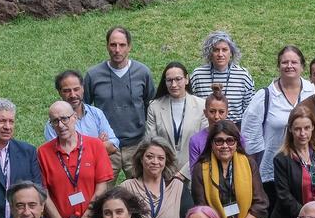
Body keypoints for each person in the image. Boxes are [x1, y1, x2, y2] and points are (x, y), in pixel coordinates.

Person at [242, 46, 315, 218]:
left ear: (302, 66)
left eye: (294, 62)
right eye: (285, 62)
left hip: (307, 172)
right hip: (272, 174)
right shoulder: (265, 96)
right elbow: (250, 137)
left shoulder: (313, 91)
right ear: (278, 65)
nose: (289, 66)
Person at [83, 26, 156, 178]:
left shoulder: (142, 73)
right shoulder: (93, 75)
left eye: (122, 45)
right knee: (102, 190)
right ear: (107, 46)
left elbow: (151, 106)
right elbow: (84, 109)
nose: (117, 50)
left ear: (129, 47)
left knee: (140, 189)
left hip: (136, 145)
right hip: (107, 146)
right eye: (113, 45)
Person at [191, 120, 269, 218]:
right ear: (211, 143)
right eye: (219, 141)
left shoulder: (249, 163)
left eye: (230, 141)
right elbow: (202, 208)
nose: (225, 146)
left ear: (237, 143)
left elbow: (260, 203)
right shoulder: (201, 168)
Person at [146, 61, 207, 183]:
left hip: (193, 173)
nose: (174, 84)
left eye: (178, 79)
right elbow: (151, 141)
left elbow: (204, 144)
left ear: (187, 79)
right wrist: (167, 172)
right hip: (163, 173)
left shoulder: (202, 106)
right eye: (169, 80)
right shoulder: (155, 106)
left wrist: (183, 174)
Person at [44, 70, 120, 157]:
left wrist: (78, 150)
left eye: (76, 89)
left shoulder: (96, 114)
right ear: (59, 92)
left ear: (83, 88)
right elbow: (62, 156)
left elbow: (113, 145)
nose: (73, 95)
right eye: (67, 91)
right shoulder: (54, 124)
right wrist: (97, 143)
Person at [190, 30, 255, 121]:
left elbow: (250, 111)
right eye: (216, 50)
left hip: (234, 127)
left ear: (231, 53)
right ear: (210, 53)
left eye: (224, 50)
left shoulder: (243, 76)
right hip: (205, 127)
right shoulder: (198, 76)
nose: (220, 54)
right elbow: (191, 106)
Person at [188, 86, 243, 170]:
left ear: (227, 113)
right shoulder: (196, 140)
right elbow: (194, 171)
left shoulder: (238, 138)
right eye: (212, 111)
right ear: (205, 113)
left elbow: (242, 165)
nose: (216, 116)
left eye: (221, 112)